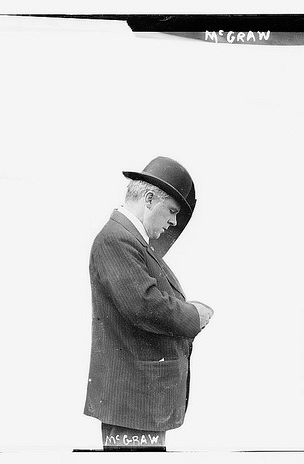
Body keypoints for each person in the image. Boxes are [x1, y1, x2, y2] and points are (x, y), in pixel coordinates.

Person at [84, 156, 214, 451]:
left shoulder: (129, 239)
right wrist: (193, 315)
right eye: (171, 211)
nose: (173, 222)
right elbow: (144, 306)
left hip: (138, 398)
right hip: (132, 399)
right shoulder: (116, 239)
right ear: (150, 198)